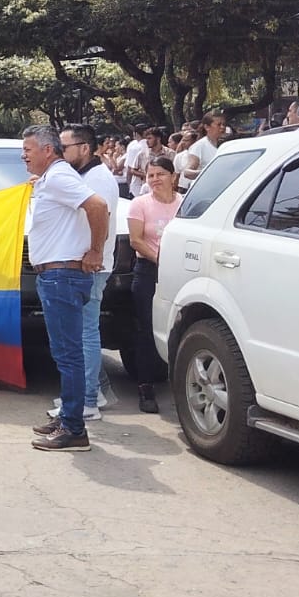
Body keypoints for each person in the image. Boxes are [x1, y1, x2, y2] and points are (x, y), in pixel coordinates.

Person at [22, 125, 110, 453]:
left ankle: (74, 428)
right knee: (64, 355)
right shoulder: (53, 180)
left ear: (48, 150)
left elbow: (98, 206)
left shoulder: (59, 177)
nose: (23, 156)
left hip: (63, 275)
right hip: (55, 276)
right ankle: (68, 417)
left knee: (69, 355)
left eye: (28, 150)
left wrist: (96, 251)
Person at [48, 125, 122, 425]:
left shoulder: (98, 179)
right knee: (83, 332)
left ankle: (88, 401)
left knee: (85, 333)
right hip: (85, 264)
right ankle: (92, 391)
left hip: (91, 267)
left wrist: (94, 253)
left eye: (65, 148)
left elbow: (99, 214)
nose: (61, 154)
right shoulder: (83, 176)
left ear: (85, 148)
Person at [126, 158, 181, 415]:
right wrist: (161, 261)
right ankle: (145, 386)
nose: (155, 179)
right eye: (150, 175)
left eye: (160, 174)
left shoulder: (185, 204)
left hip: (182, 273)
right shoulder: (140, 204)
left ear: (173, 176)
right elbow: (136, 241)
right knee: (147, 329)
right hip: (149, 271)